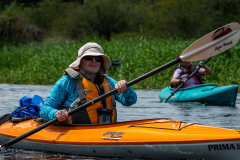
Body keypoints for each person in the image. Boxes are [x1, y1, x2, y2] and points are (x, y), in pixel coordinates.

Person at [39, 42, 137, 124]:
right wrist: (56, 113)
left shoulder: (109, 82)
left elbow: (130, 101)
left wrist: (126, 88)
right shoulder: (67, 82)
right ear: (80, 61)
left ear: (101, 63)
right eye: (89, 57)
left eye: (98, 58)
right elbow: (44, 109)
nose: (94, 61)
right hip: (74, 133)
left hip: (105, 132)